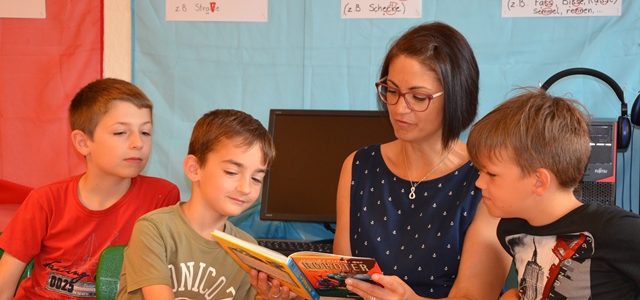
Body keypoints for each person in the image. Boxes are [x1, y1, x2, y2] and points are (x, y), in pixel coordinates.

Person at [333, 22, 512, 299]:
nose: (399, 108)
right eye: (391, 91)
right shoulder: (359, 166)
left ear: (456, 96)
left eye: (418, 97)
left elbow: (474, 296)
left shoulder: (487, 177)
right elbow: (342, 286)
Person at [0, 78, 180, 299]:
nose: (138, 143)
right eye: (121, 132)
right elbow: (5, 281)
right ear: (83, 143)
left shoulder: (161, 197)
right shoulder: (45, 200)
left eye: (145, 132)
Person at [467, 89, 640, 299]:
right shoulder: (510, 230)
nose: (479, 182)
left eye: (491, 174)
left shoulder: (616, 230)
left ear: (539, 181)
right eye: (479, 171)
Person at [117, 109, 290, 299]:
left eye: (256, 178)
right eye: (232, 172)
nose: (246, 188)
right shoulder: (154, 229)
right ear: (194, 169)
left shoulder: (247, 248)